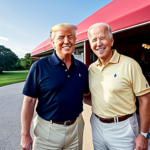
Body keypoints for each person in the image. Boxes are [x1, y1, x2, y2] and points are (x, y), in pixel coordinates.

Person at [21, 23, 89, 150]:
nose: (66, 41)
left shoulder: (82, 68)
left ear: (75, 40)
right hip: (47, 132)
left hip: (76, 129)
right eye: (61, 37)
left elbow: (86, 95)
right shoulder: (39, 67)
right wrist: (25, 135)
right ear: (52, 43)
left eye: (70, 37)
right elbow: (29, 101)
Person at [87, 22, 150, 150]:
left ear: (111, 40)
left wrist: (143, 134)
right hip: (97, 125)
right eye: (94, 40)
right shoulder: (91, 69)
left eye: (102, 38)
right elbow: (88, 94)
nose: (98, 43)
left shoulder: (130, 64)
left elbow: (145, 99)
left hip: (123, 128)